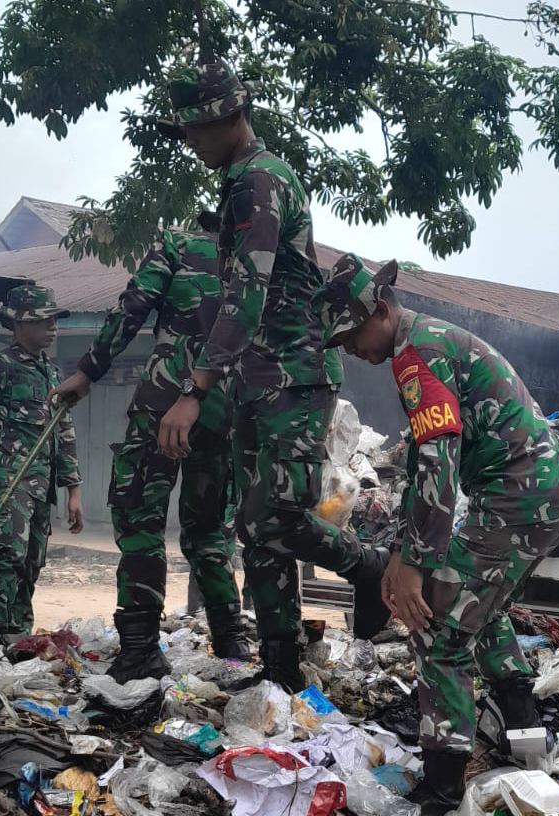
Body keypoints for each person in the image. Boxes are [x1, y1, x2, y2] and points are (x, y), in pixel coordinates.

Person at [317, 256, 559, 815]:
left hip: (520, 497)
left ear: (382, 312)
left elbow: (439, 463)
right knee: (477, 611)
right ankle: (525, 735)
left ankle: (442, 790)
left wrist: (414, 562)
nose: (350, 349)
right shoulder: (427, 344)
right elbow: (422, 463)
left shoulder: (419, 357)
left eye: (352, 334)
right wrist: (402, 549)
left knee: (436, 619)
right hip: (539, 496)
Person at [152, 60, 389, 690]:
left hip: (295, 374)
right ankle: (280, 668)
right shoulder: (240, 180)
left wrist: (193, 390)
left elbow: (247, 291)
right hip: (258, 379)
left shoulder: (259, 180)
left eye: (197, 131)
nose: (191, 144)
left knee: (276, 516)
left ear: (228, 118)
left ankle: (369, 565)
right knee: (254, 527)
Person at [51, 227, 249, 681]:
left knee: (140, 520)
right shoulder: (255, 261)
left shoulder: (177, 246)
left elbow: (132, 308)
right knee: (210, 532)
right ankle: (232, 646)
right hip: (225, 411)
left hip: (164, 401)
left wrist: (87, 372)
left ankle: (140, 650)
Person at [0, 285, 83, 655]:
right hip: (6, 482)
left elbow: (64, 432)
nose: (53, 328)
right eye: (44, 321)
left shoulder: (51, 373)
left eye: (55, 320)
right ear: (20, 325)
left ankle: (17, 644)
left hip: (41, 487)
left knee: (31, 564)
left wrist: (73, 491)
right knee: (6, 560)